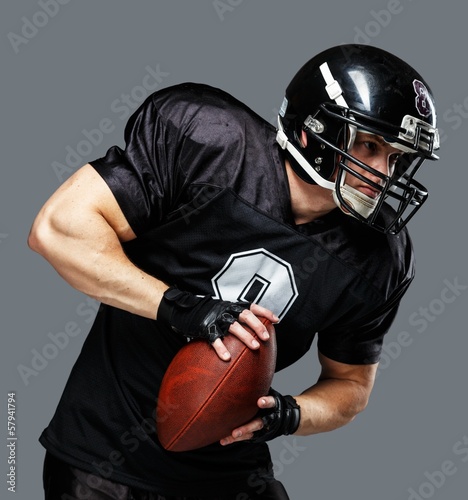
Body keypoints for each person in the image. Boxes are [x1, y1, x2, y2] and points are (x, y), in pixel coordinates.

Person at [29, 44, 439, 499]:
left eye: (397, 158)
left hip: (231, 478)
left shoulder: (378, 256)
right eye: (370, 145)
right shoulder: (210, 142)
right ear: (312, 131)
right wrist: (181, 308)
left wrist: (287, 414)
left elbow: (350, 385)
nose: (384, 173)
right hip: (103, 461)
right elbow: (59, 229)